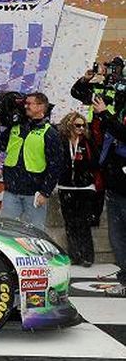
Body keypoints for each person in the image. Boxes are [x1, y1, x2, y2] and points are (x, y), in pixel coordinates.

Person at [0, 92, 63, 230]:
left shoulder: (49, 132)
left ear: (41, 106)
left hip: (34, 194)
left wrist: (45, 192)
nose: (26, 106)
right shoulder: (16, 127)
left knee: (35, 233)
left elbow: (56, 165)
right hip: (12, 191)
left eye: (29, 104)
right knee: (7, 231)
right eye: (25, 103)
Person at [92, 95, 126, 296]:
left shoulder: (113, 118)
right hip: (113, 187)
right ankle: (124, 279)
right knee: (117, 237)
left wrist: (105, 114)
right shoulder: (117, 112)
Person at [56, 112, 99, 267]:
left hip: (84, 187)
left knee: (83, 223)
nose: (81, 128)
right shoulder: (61, 141)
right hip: (65, 186)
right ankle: (74, 255)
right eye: (77, 125)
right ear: (69, 125)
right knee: (70, 223)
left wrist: (82, 163)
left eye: (83, 125)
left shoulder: (87, 141)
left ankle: (87, 256)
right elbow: (57, 160)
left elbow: (96, 161)